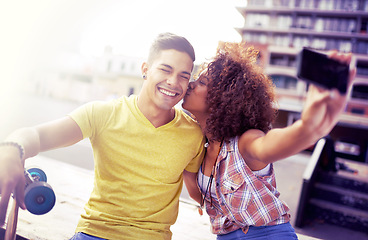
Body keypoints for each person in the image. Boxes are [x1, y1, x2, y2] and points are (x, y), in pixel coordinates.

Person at [0, 32, 205, 240]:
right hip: (95, 233)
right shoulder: (103, 114)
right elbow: (36, 135)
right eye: (165, 69)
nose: (173, 81)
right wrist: (11, 150)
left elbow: (201, 193)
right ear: (145, 69)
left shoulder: (193, 134)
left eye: (183, 76)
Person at [181, 42, 355, 239]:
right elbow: (204, 198)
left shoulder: (245, 142)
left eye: (202, 82)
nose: (192, 84)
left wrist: (309, 126)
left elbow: (275, 144)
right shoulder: (199, 147)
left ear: (222, 99)